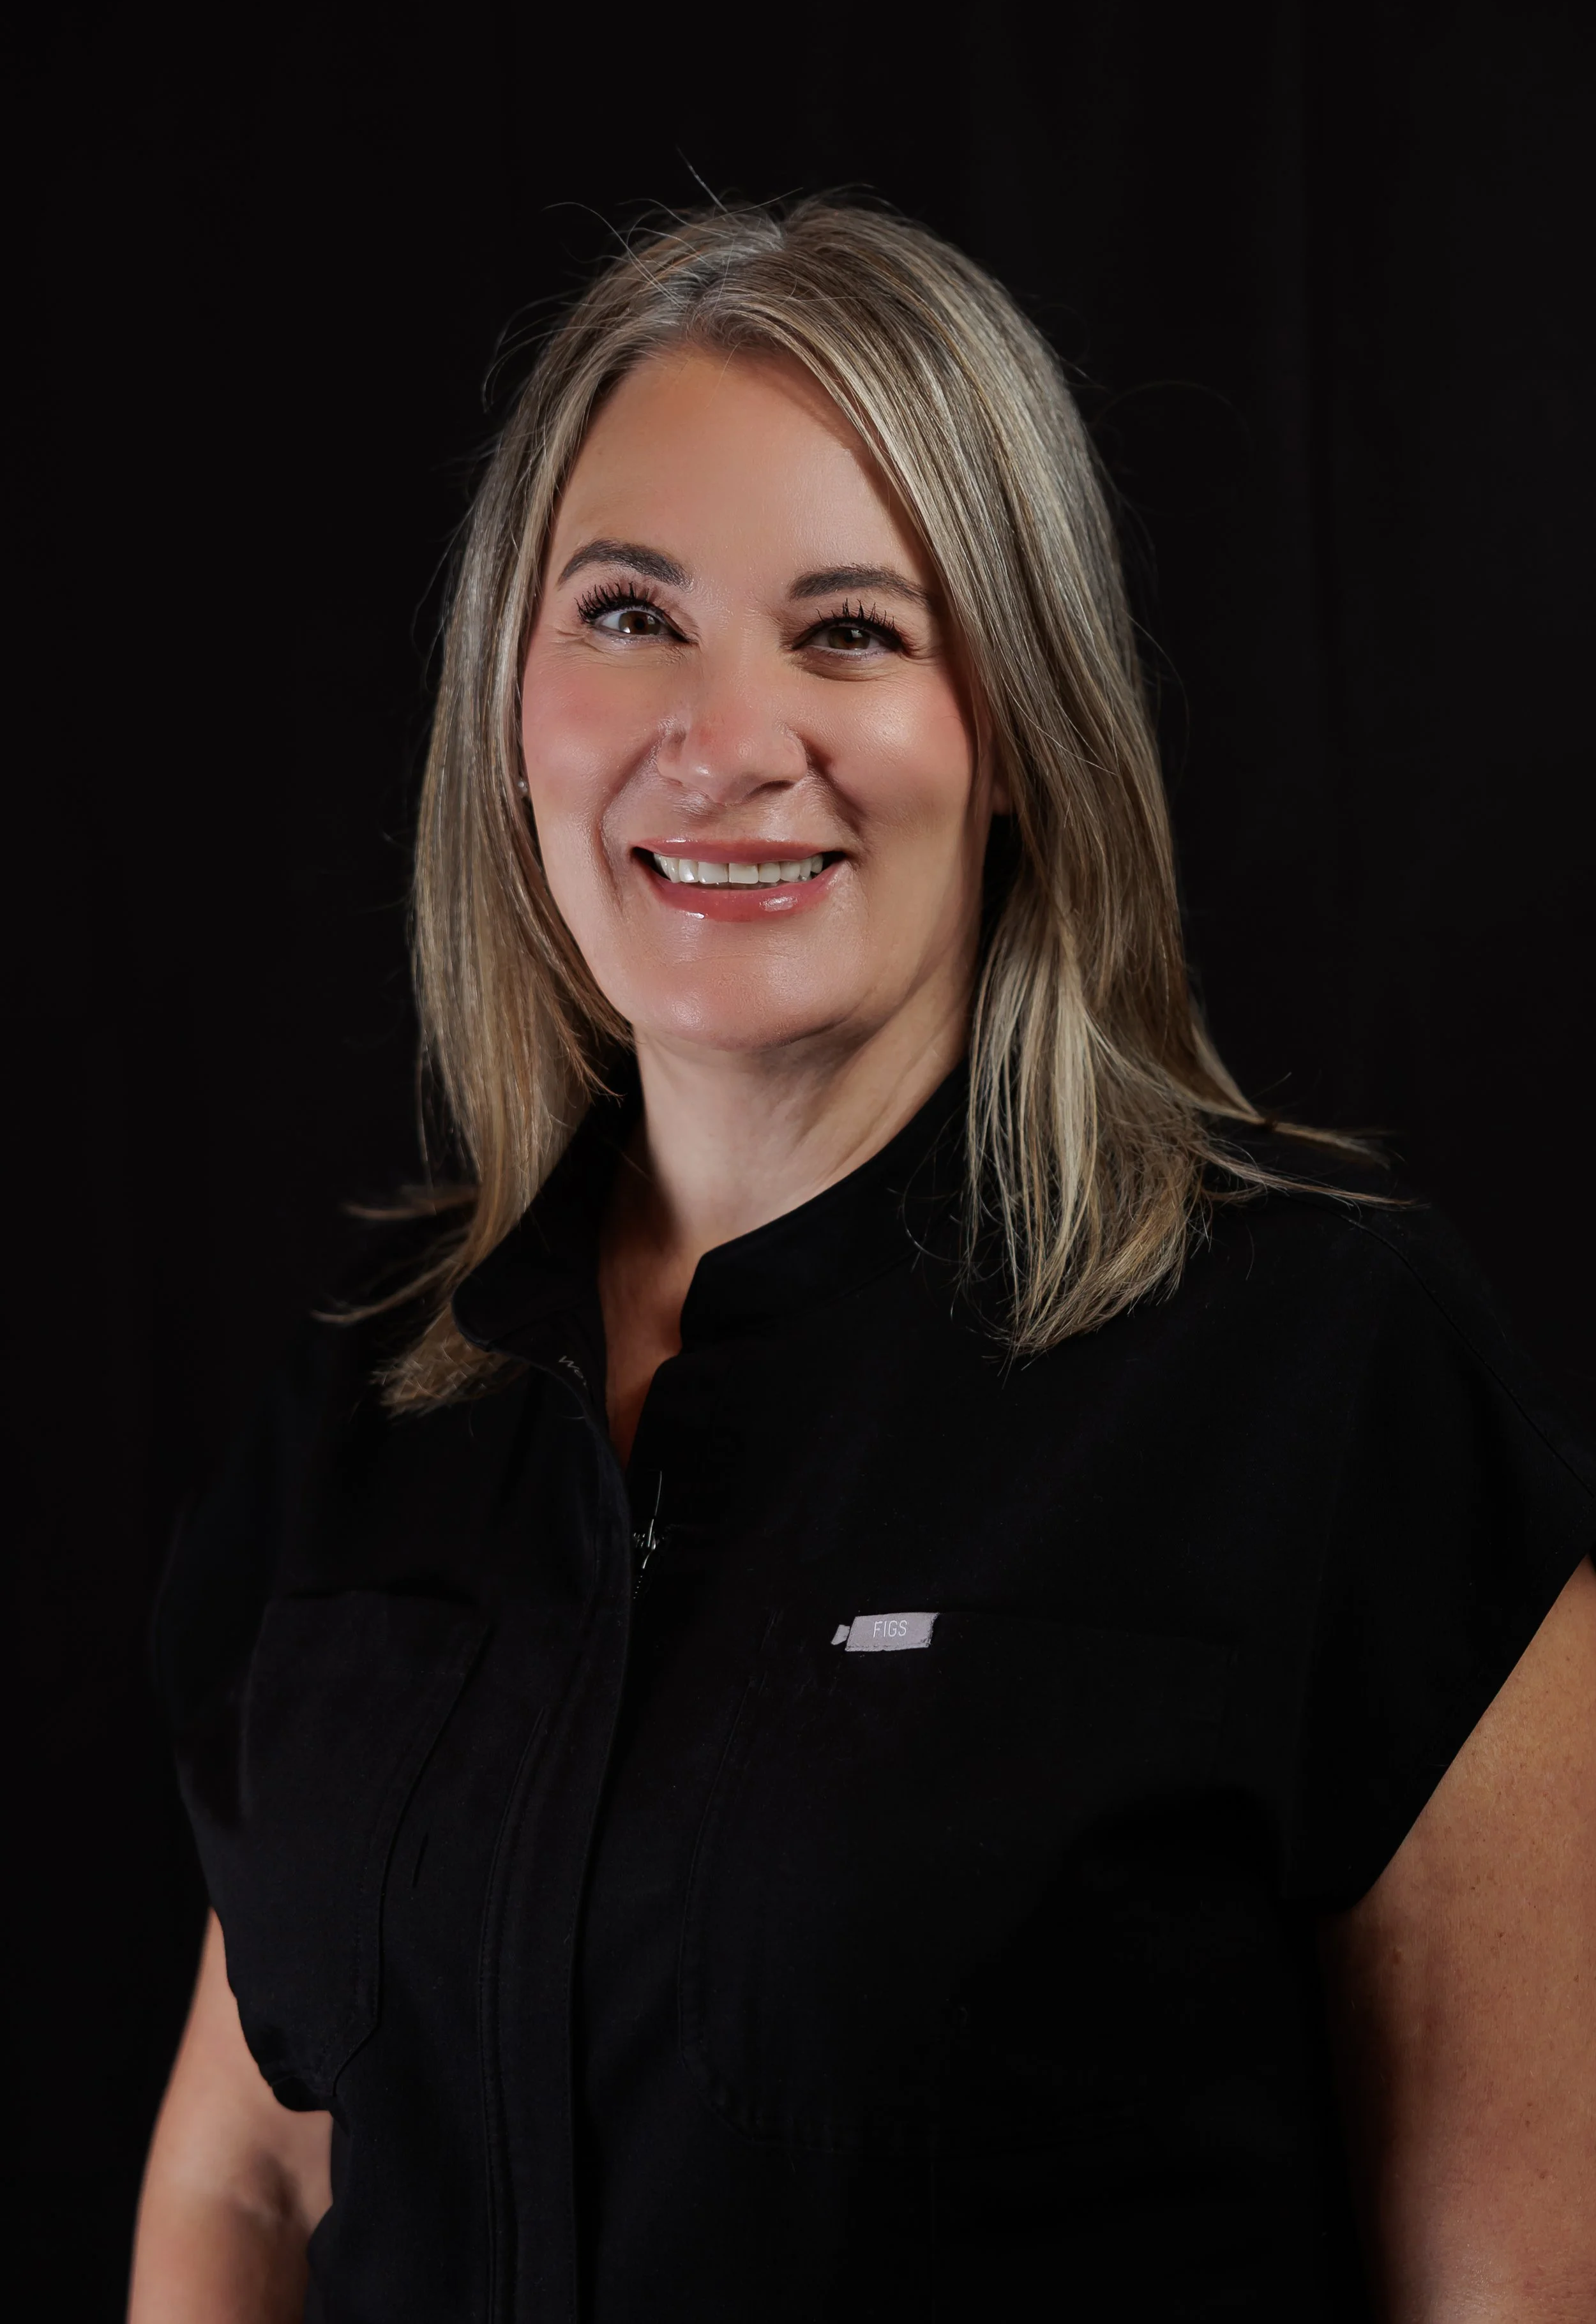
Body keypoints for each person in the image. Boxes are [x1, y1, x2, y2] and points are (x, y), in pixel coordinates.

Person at [129, 201, 1596, 2323]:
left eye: (851, 632)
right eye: (629, 611)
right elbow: (252, 2179)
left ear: (1018, 730)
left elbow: (1523, 2280)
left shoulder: (1328, 1383)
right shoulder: (365, 1414)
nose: (723, 741)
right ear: (505, 701)